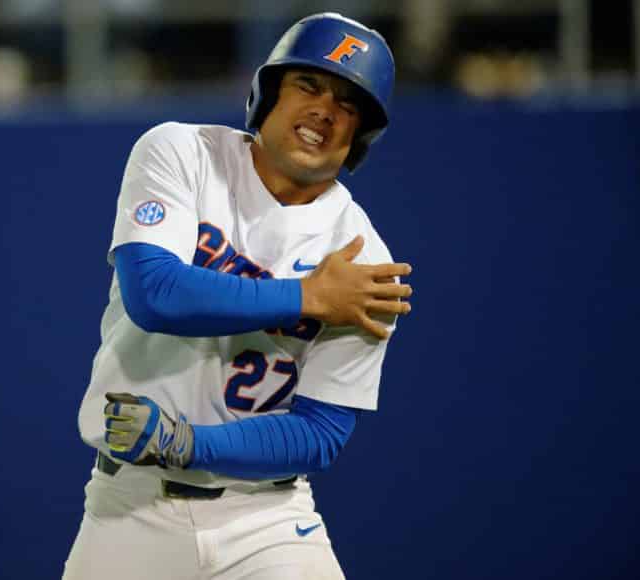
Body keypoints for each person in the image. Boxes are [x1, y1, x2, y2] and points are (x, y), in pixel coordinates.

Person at [63, 13, 410, 580]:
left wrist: (185, 443)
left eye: (348, 103)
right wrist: (307, 297)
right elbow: (155, 293)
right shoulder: (181, 151)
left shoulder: (366, 262)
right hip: (129, 510)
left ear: (361, 134)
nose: (324, 109)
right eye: (309, 85)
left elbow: (319, 434)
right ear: (267, 93)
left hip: (269, 522)